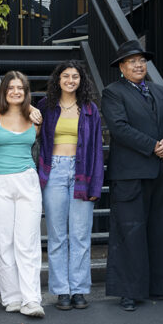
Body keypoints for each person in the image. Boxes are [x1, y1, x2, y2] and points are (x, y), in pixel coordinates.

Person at [102, 40, 163, 312]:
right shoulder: (112, 92)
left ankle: (160, 285)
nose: (138, 65)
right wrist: (152, 146)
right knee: (129, 232)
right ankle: (128, 292)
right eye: (132, 61)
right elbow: (119, 128)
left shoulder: (158, 90)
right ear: (122, 67)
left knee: (160, 231)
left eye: (141, 61)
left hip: (161, 170)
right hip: (131, 173)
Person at [37, 61, 104, 311]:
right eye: (66, 76)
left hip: (82, 172)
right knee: (56, 236)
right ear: (58, 80)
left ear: (81, 81)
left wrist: (96, 186)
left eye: (75, 76)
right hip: (53, 171)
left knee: (80, 235)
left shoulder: (89, 109)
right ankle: (61, 290)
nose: (70, 80)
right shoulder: (46, 106)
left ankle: (78, 289)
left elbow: (97, 148)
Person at [0, 71, 45, 318]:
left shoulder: (34, 118)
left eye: (20, 88)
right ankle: (11, 297)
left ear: (26, 91)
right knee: (2, 241)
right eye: (11, 88)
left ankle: (31, 299)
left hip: (27, 181)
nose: (16, 92)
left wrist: (31, 109)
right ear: (4, 91)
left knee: (28, 242)